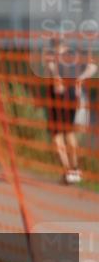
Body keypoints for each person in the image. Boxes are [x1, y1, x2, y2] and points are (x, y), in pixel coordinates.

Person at [46, 35, 97, 184]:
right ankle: (74, 170)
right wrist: (81, 78)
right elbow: (93, 66)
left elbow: (53, 73)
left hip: (59, 98)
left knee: (58, 136)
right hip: (72, 97)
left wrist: (56, 76)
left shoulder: (53, 56)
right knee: (68, 133)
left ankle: (70, 170)